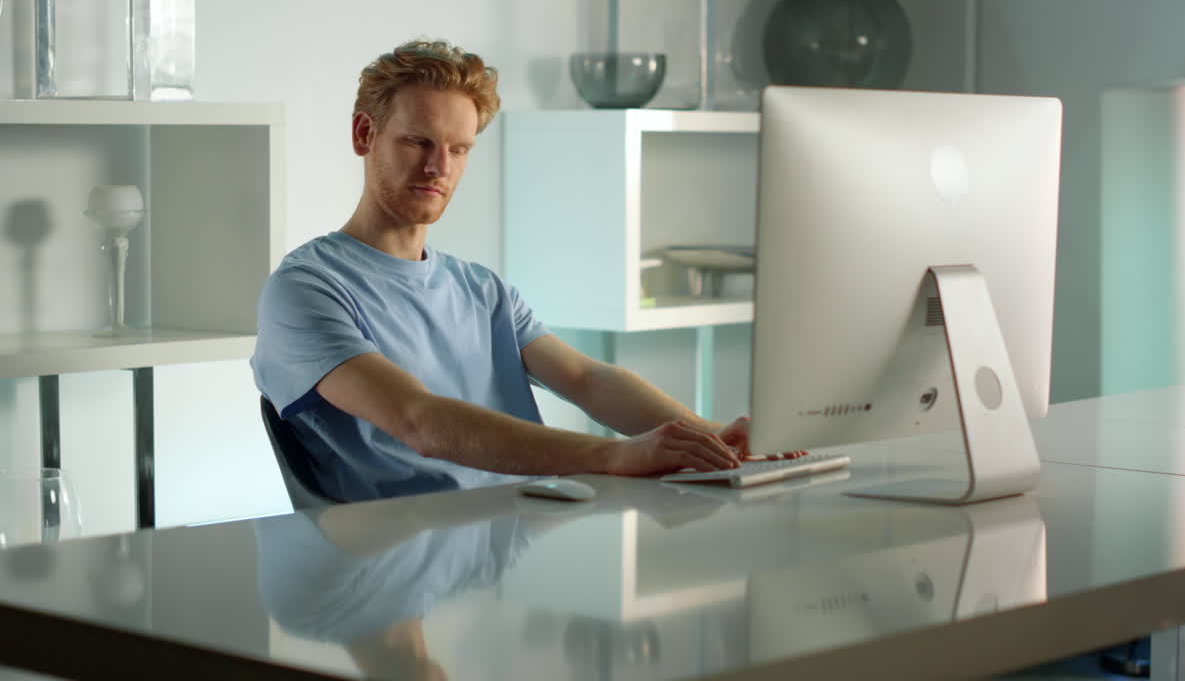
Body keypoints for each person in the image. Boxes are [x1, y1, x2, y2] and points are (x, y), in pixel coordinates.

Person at [252, 38, 786, 502]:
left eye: (458, 149)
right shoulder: (305, 289)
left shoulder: (481, 289)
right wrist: (616, 456)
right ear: (364, 134)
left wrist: (714, 438)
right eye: (418, 141)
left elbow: (588, 379)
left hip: (513, 537)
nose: (439, 167)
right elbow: (419, 420)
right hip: (399, 557)